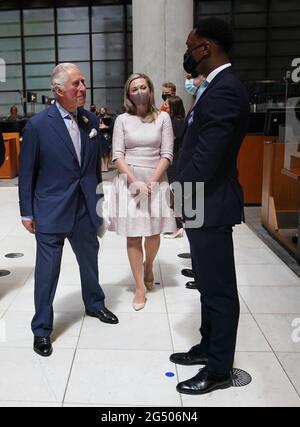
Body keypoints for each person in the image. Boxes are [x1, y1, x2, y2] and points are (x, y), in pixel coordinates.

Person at [170, 18, 250, 395]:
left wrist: (179, 192)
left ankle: (219, 368)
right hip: (200, 202)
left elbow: (208, 157)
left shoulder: (225, 90)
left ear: (208, 48)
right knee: (205, 284)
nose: (188, 53)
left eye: (192, 45)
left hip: (211, 203)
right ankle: (207, 346)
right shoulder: (211, 89)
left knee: (218, 290)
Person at [19, 63, 118, 358]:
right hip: (50, 209)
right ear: (58, 90)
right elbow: (27, 174)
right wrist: (27, 212)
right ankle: (41, 329)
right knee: (47, 272)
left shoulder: (89, 120)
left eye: (83, 83)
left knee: (90, 261)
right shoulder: (38, 125)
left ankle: (95, 304)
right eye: (76, 84)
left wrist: (98, 204)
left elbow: (94, 172)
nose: (82, 88)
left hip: (84, 208)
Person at [109, 73, 177, 311]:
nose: (139, 92)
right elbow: (117, 154)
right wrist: (134, 181)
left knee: (153, 232)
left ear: (151, 89)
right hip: (129, 181)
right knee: (133, 235)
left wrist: (151, 182)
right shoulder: (122, 120)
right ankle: (139, 286)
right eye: (134, 89)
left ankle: (149, 267)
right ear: (129, 94)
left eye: (143, 87)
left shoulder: (163, 118)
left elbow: (167, 153)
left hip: (156, 178)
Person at [164, 96, 186, 239]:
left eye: (167, 104)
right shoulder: (182, 121)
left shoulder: (172, 123)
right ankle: (177, 224)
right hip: (180, 159)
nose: (164, 106)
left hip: (175, 161)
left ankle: (177, 225)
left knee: (174, 193)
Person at [99, 106, 113, 172]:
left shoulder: (110, 118)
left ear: (105, 110)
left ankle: (106, 166)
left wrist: (105, 126)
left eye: (103, 110)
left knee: (106, 152)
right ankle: (102, 166)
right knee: (101, 152)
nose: (102, 111)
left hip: (107, 136)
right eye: (101, 110)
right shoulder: (98, 118)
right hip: (100, 136)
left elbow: (111, 126)